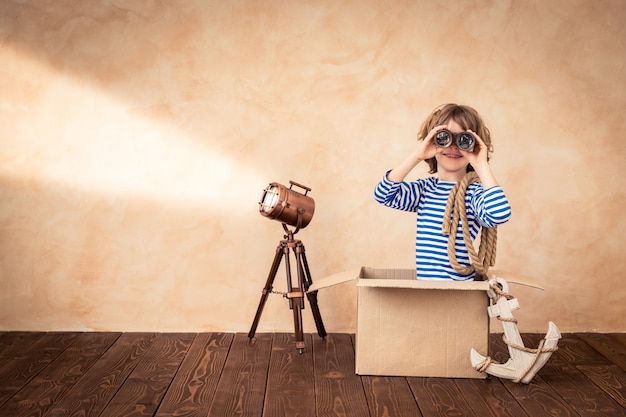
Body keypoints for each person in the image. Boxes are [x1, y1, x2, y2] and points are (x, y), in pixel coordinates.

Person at [373, 103, 511, 281]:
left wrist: (480, 164)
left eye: (463, 139)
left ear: (476, 144)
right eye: (444, 137)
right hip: (427, 292)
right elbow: (383, 195)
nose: (453, 147)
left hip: (459, 294)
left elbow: (498, 214)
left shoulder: (472, 193)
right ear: (432, 139)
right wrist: (417, 155)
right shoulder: (425, 189)